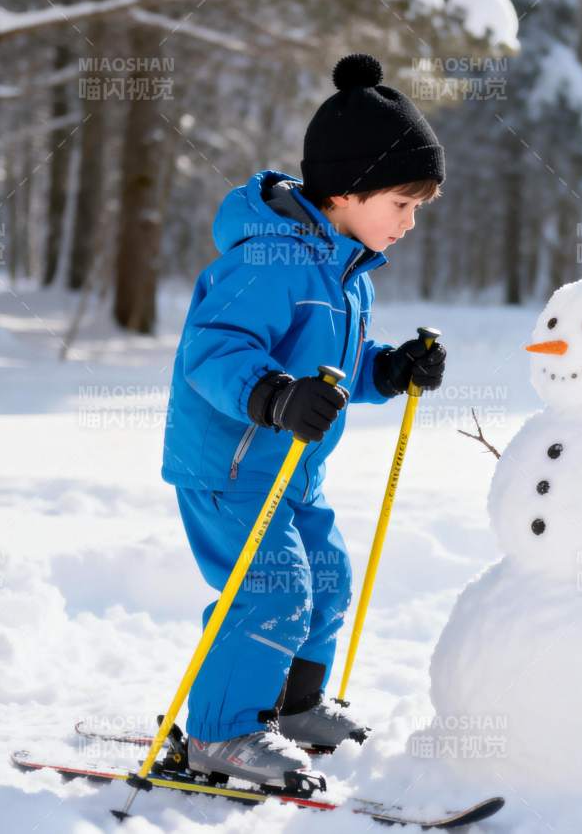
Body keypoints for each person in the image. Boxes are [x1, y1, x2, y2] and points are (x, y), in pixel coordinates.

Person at [160, 53, 447, 787]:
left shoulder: (345, 274)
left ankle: (288, 709)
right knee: (270, 589)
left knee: (326, 577)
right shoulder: (269, 261)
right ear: (348, 192)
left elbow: (334, 370)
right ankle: (222, 733)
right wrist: (275, 396)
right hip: (231, 466)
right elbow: (214, 350)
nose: (410, 223)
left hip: (292, 469)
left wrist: (386, 370)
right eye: (402, 204)